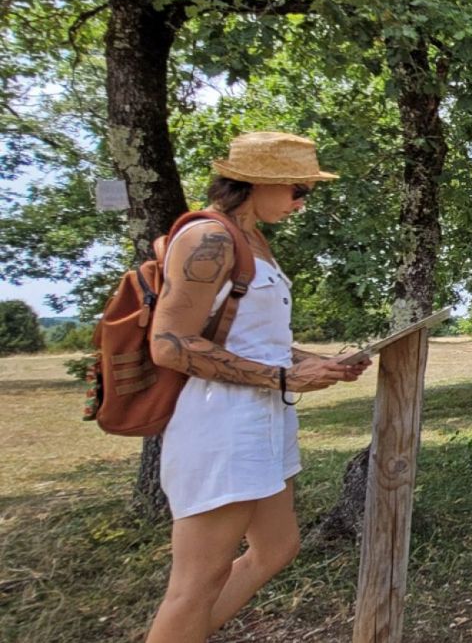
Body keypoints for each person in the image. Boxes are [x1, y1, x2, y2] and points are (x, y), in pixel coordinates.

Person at [145, 131, 371, 643]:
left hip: (265, 418)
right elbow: (170, 343)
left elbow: (251, 339)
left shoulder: (255, 241)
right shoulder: (210, 237)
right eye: (297, 189)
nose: (300, 201)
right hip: (220, 423)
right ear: (256, 182)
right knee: (195, 583)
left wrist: (318, 363)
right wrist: (287, 377)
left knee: (276, 547)